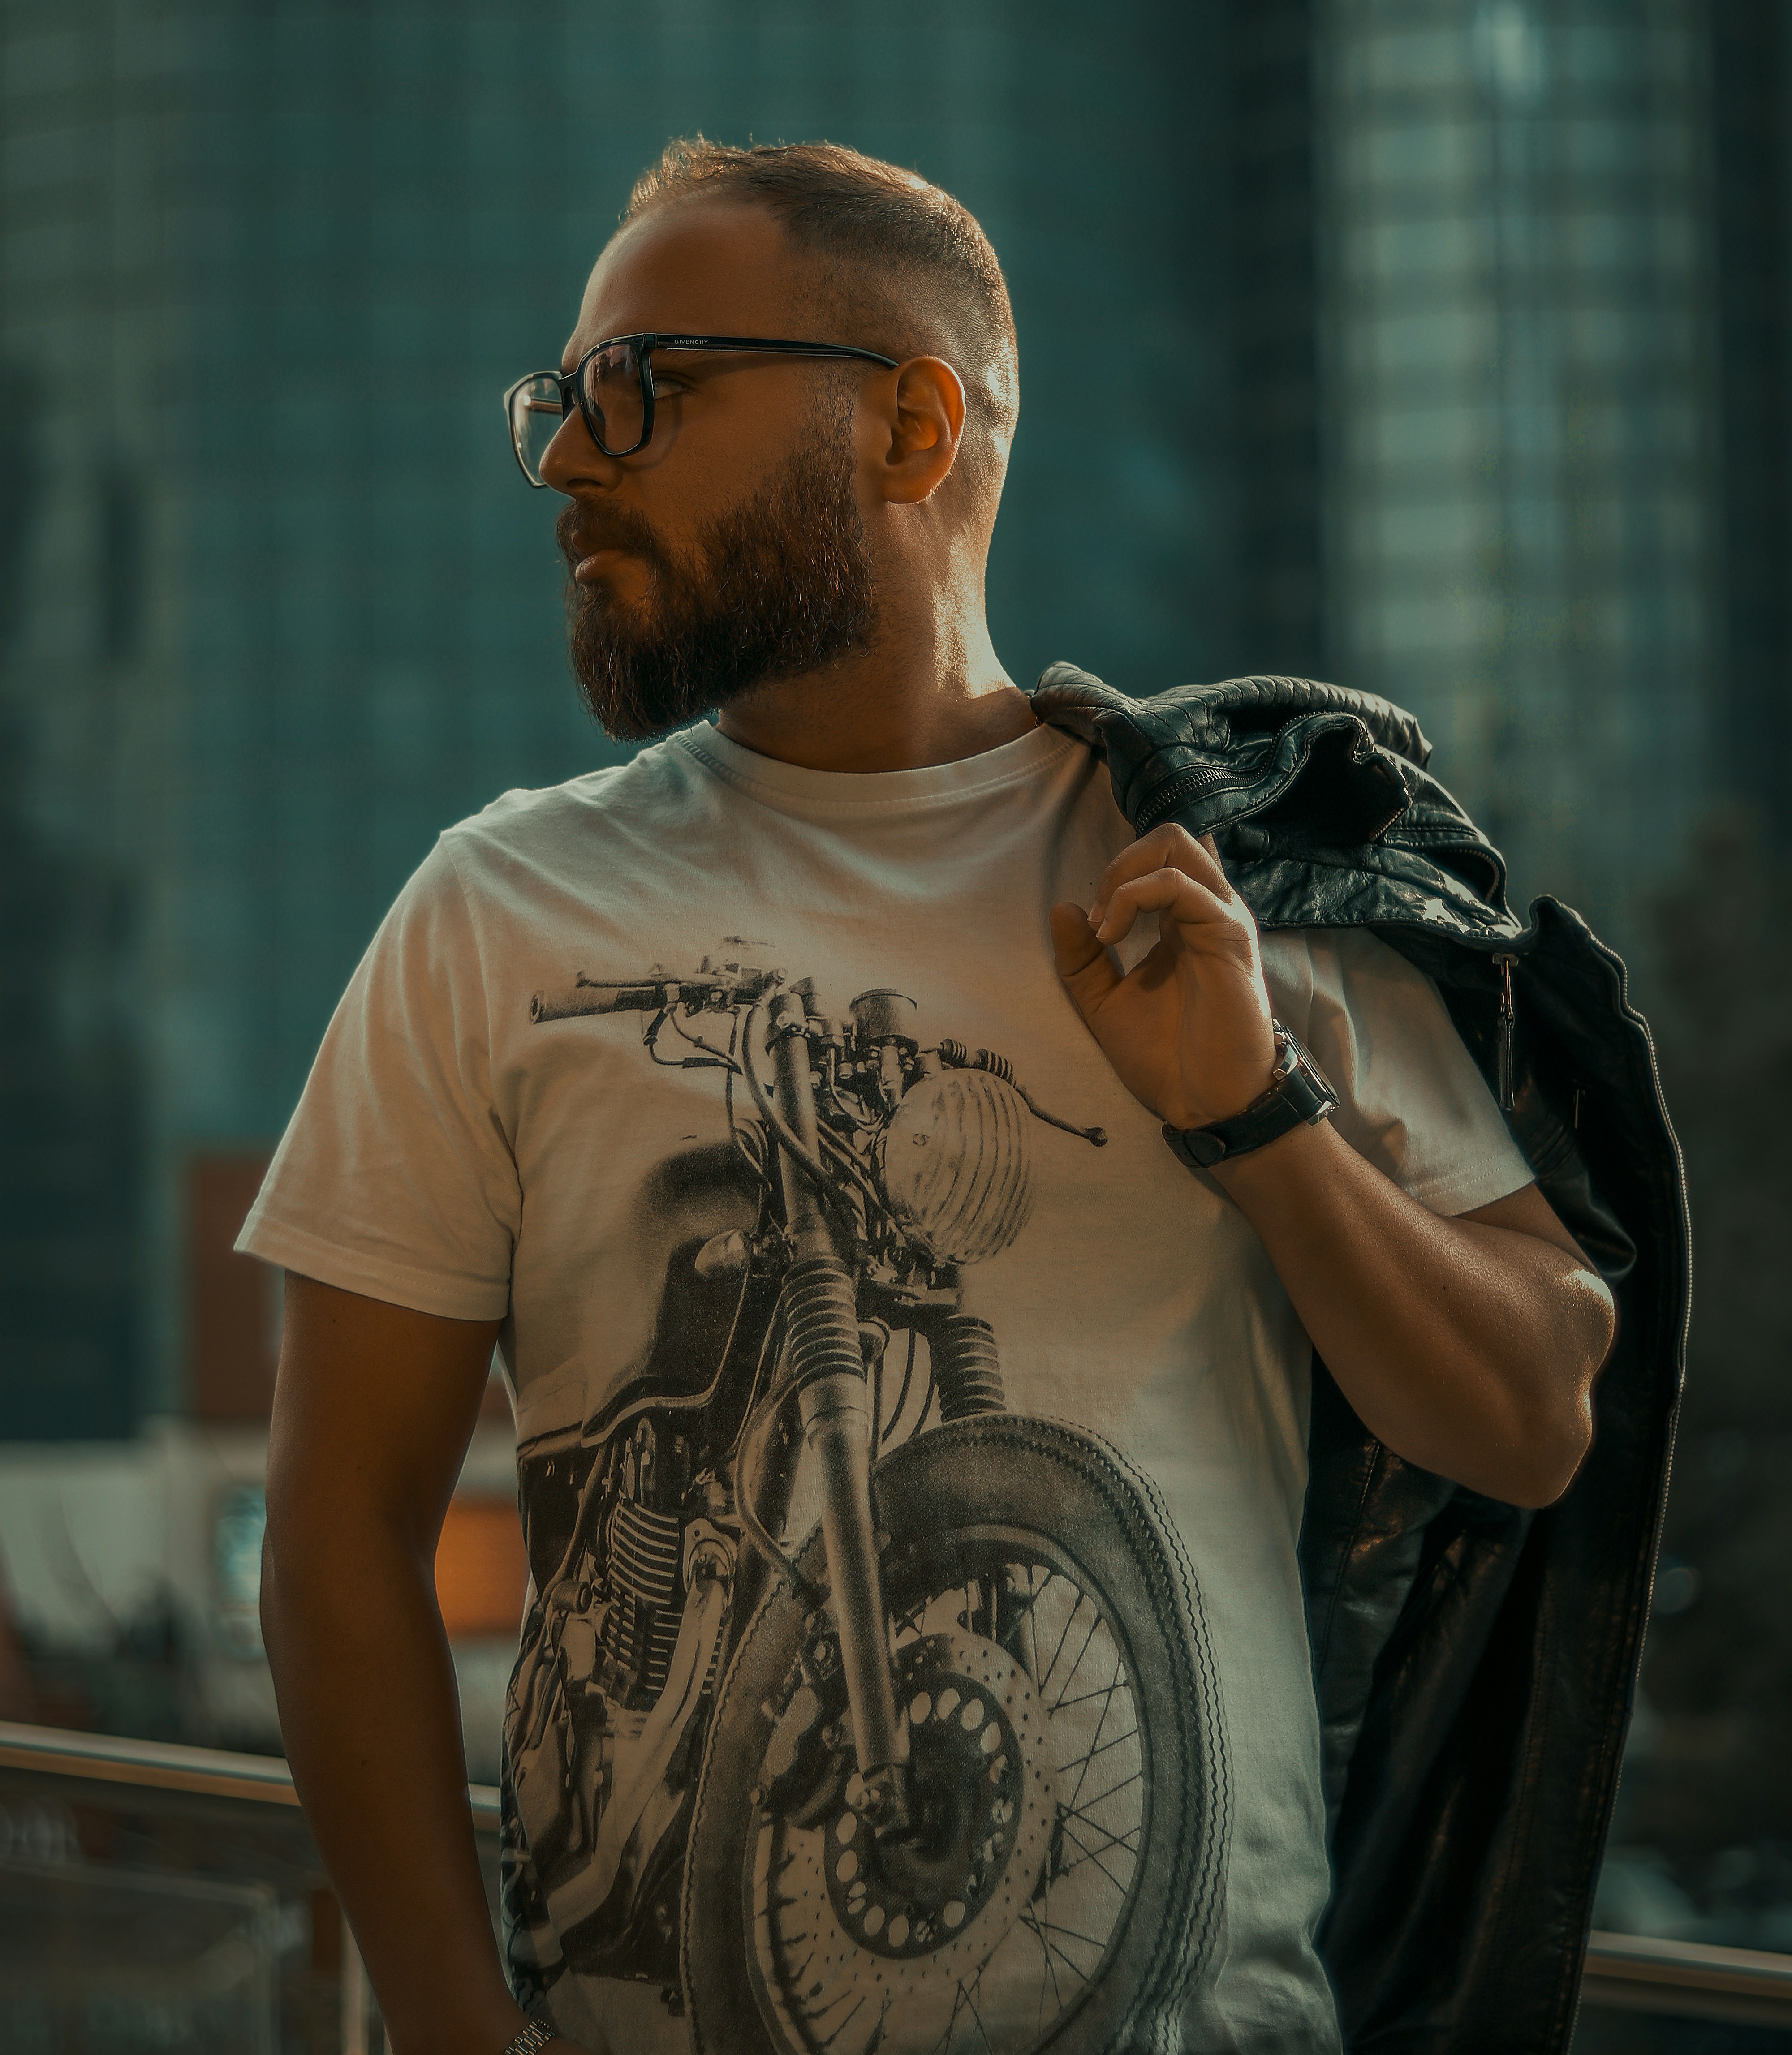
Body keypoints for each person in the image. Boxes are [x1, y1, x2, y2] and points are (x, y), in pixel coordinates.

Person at [244, 140, 1617, 2055]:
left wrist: (1256, 1113)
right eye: (559, 404)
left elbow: (1535, 1415)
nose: (570, 464)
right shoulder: (495, 908)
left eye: (643, 388)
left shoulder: (1233, 869)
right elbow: (335, 1534)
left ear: (909, 423)